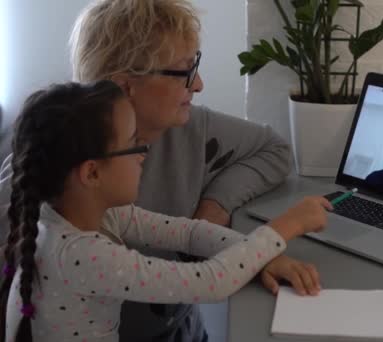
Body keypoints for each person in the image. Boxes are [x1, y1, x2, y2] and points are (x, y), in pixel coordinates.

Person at [0, 0, 322, 341]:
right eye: (184, 70)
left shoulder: (111, 208)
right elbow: (212, 281)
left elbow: (190, 231)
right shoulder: (45, 200)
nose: (197, 84)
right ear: (125, 87)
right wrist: (282, 230)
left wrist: (233, 227)